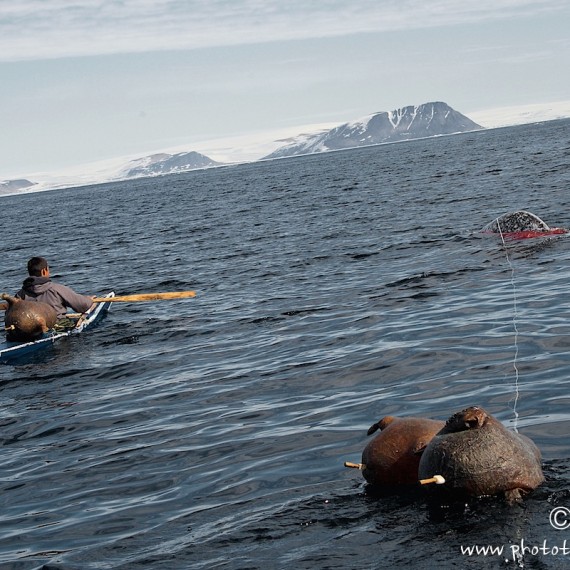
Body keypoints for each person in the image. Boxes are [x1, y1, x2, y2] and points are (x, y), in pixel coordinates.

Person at [16, 257, 94, 319]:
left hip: (32, 331)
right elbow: (82, 306)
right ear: (44, 271)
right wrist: (89, 300)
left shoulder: (19, 295)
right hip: (56, 326)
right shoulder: (56, 289)